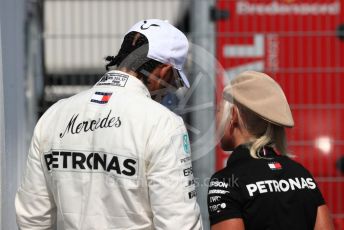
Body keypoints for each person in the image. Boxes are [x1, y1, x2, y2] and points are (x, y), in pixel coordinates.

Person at [15, 19, 203, 230]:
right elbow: (179, 223)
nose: (172, 91)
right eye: (176, 82)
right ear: (165, 71)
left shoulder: (54, 115)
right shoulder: (163, 124)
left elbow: (32, 218)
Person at [207, 71, 334, 230]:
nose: (216, 118)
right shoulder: (302, 175)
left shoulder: (225, 182)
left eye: (218, 110)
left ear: (233, 116)